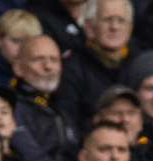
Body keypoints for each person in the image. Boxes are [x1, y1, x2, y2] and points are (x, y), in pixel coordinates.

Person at [54, 0, 138, 134]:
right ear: (89, 27)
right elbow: (69, 124)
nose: (114, 26)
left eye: (121, 20)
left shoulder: (139, 65)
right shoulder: (71, 69)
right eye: (107, 20)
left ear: (130, 28)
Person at [12, 35, 75, 161]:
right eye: (38, 59)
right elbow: (31, 160)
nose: (48, 66)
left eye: (54, 60)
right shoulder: (11, 106)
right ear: (18, 67)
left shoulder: (64, 104)